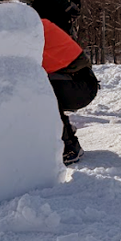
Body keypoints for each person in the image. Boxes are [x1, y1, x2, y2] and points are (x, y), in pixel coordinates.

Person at [42, 18, 99, 164]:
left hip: (81, 85)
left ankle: (69, 147)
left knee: (38, 89)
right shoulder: (31, 23)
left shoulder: (31, 29)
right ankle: (61, 133)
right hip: (77, 81)